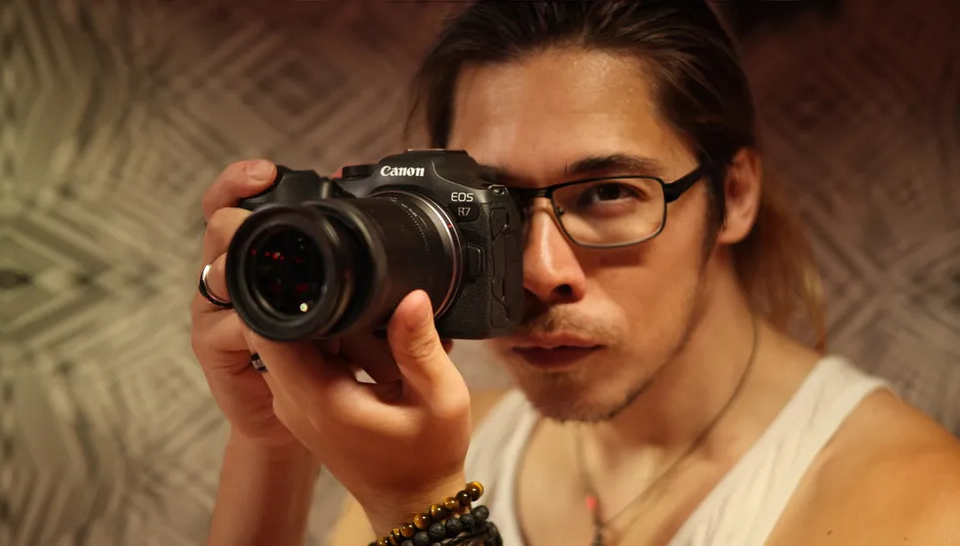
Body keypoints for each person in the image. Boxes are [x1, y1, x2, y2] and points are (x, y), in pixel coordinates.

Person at [190, 2, 960, 545]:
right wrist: (274, 439)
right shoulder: (451, 447)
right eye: (496, 207)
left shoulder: (917, 501)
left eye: (607, 193)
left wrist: (424, 514)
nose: (540, 271)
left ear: (733, 196)